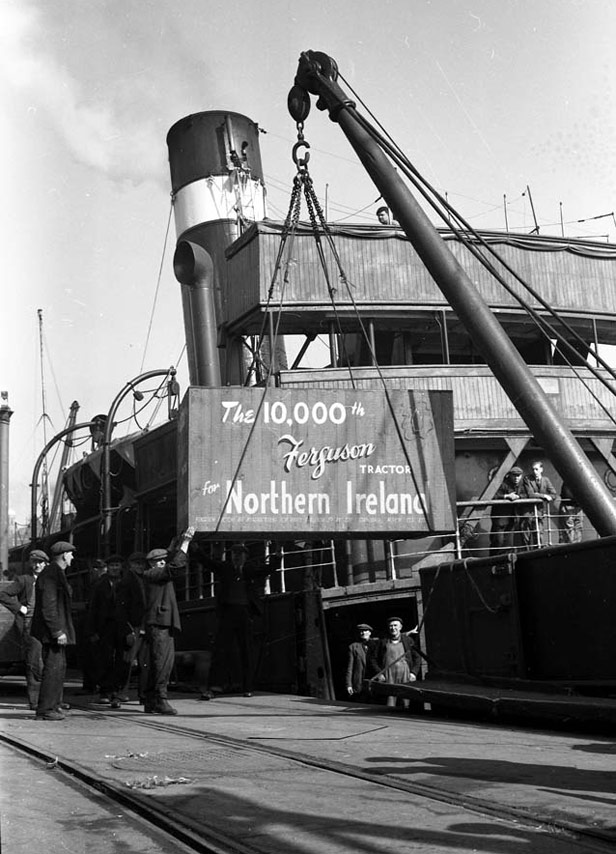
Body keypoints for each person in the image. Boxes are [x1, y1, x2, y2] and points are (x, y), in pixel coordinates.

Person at [198, 542, 281, 699]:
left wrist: (277, 557)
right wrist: (195, 549)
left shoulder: (249, 570)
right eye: (235, 553)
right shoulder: (225, 569)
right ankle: (214, 687)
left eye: (240, 554)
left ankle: (247, 687)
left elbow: (266, 570)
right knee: (220, 650)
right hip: (228, 612)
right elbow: (208, 563)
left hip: (244, 613)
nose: (237, 556)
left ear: (245, 556)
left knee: (247, 651)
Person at [142, 527, 194, 715]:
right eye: (162, 561)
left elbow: (172, 563)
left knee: (158, 661)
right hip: (160, 623)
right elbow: (176, 567)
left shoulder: (155, 573)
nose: (165, 563)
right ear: (154, 564)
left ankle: (151, 701)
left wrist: (174, 545)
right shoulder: (152, 575)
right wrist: (186, 544)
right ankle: (160, 700)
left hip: (161, 622)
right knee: (162, 663)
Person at [31, 541, 77, 721]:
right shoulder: (51, 574)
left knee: (59, 668)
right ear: (64, 555)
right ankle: (45, 709)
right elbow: (48, 607)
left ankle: (55, 705)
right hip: (52, 632)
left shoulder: (56, 573)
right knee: (53, 668)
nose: (72, 557)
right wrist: (57, 631)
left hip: (55, 630)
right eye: (71, 554)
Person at [0, 549, 47, 710]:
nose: (37, 565)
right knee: (34, 662)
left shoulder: (50, 580)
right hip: (31, 625)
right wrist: (21, 608)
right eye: (34, 562)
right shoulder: (24, 580)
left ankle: (52, 701)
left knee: (50, 663)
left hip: (49, 626)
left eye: (40, 562)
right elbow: (4, 594)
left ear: (46, 564)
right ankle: (35, 701)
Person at [86, 554, 132, 708]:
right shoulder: (100, 584)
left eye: (117, 565)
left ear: (121, 567)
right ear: (108, 568)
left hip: (122, 626)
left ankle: (117, 691)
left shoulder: (127, 583)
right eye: (112, 565)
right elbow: (93, 608)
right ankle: (105, 691)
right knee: (105, 659)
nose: (114, 568)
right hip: (104, 627)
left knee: (122, 659)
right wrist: (92, 631)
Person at [371, 617, 420, 709]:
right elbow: (373, 659)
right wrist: (379, 674)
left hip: (405, 675)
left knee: (406, 702)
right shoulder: (383, 642)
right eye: (391, 626)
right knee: (390, 703)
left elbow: (417, 657)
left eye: (395, 625)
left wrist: (414, 672)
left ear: (400, 627)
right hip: (389, 676)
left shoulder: (408, 640)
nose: (393, 628)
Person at [490, 466, 528, 555]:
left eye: (518, 476)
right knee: (498, 542)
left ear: (521, 476)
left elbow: (527, 494)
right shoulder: (502, 484)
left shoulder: (521, 485)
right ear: (510, 475)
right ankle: (492, 561)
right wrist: (506, 496)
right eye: (514, 475)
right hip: (500, 519)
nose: (516, 478)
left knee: (508, 544)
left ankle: (505, 564)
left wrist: (519, 497)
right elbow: (493, 496)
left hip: (511, 519)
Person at [520, 460, 557, 548]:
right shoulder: (527, 479)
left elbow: (554, 494)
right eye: (533, 469)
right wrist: (544, 496)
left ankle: (538, 551)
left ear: (541, 469)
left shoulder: (546, 480)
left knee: (539, 535)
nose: (534, 472)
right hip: (528, 512)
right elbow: (530, 494)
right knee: (526, 537)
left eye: (536, 469)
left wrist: (540, 495)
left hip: (540, 512)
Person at [345, 622, 377, 701]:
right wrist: (349, 685)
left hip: (374, 681)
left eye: (365, 631)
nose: (363, 633)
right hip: (360, 682)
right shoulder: (354, 647)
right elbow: (350, 668)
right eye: (361, 631)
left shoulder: (376, 644)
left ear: (370, 632)